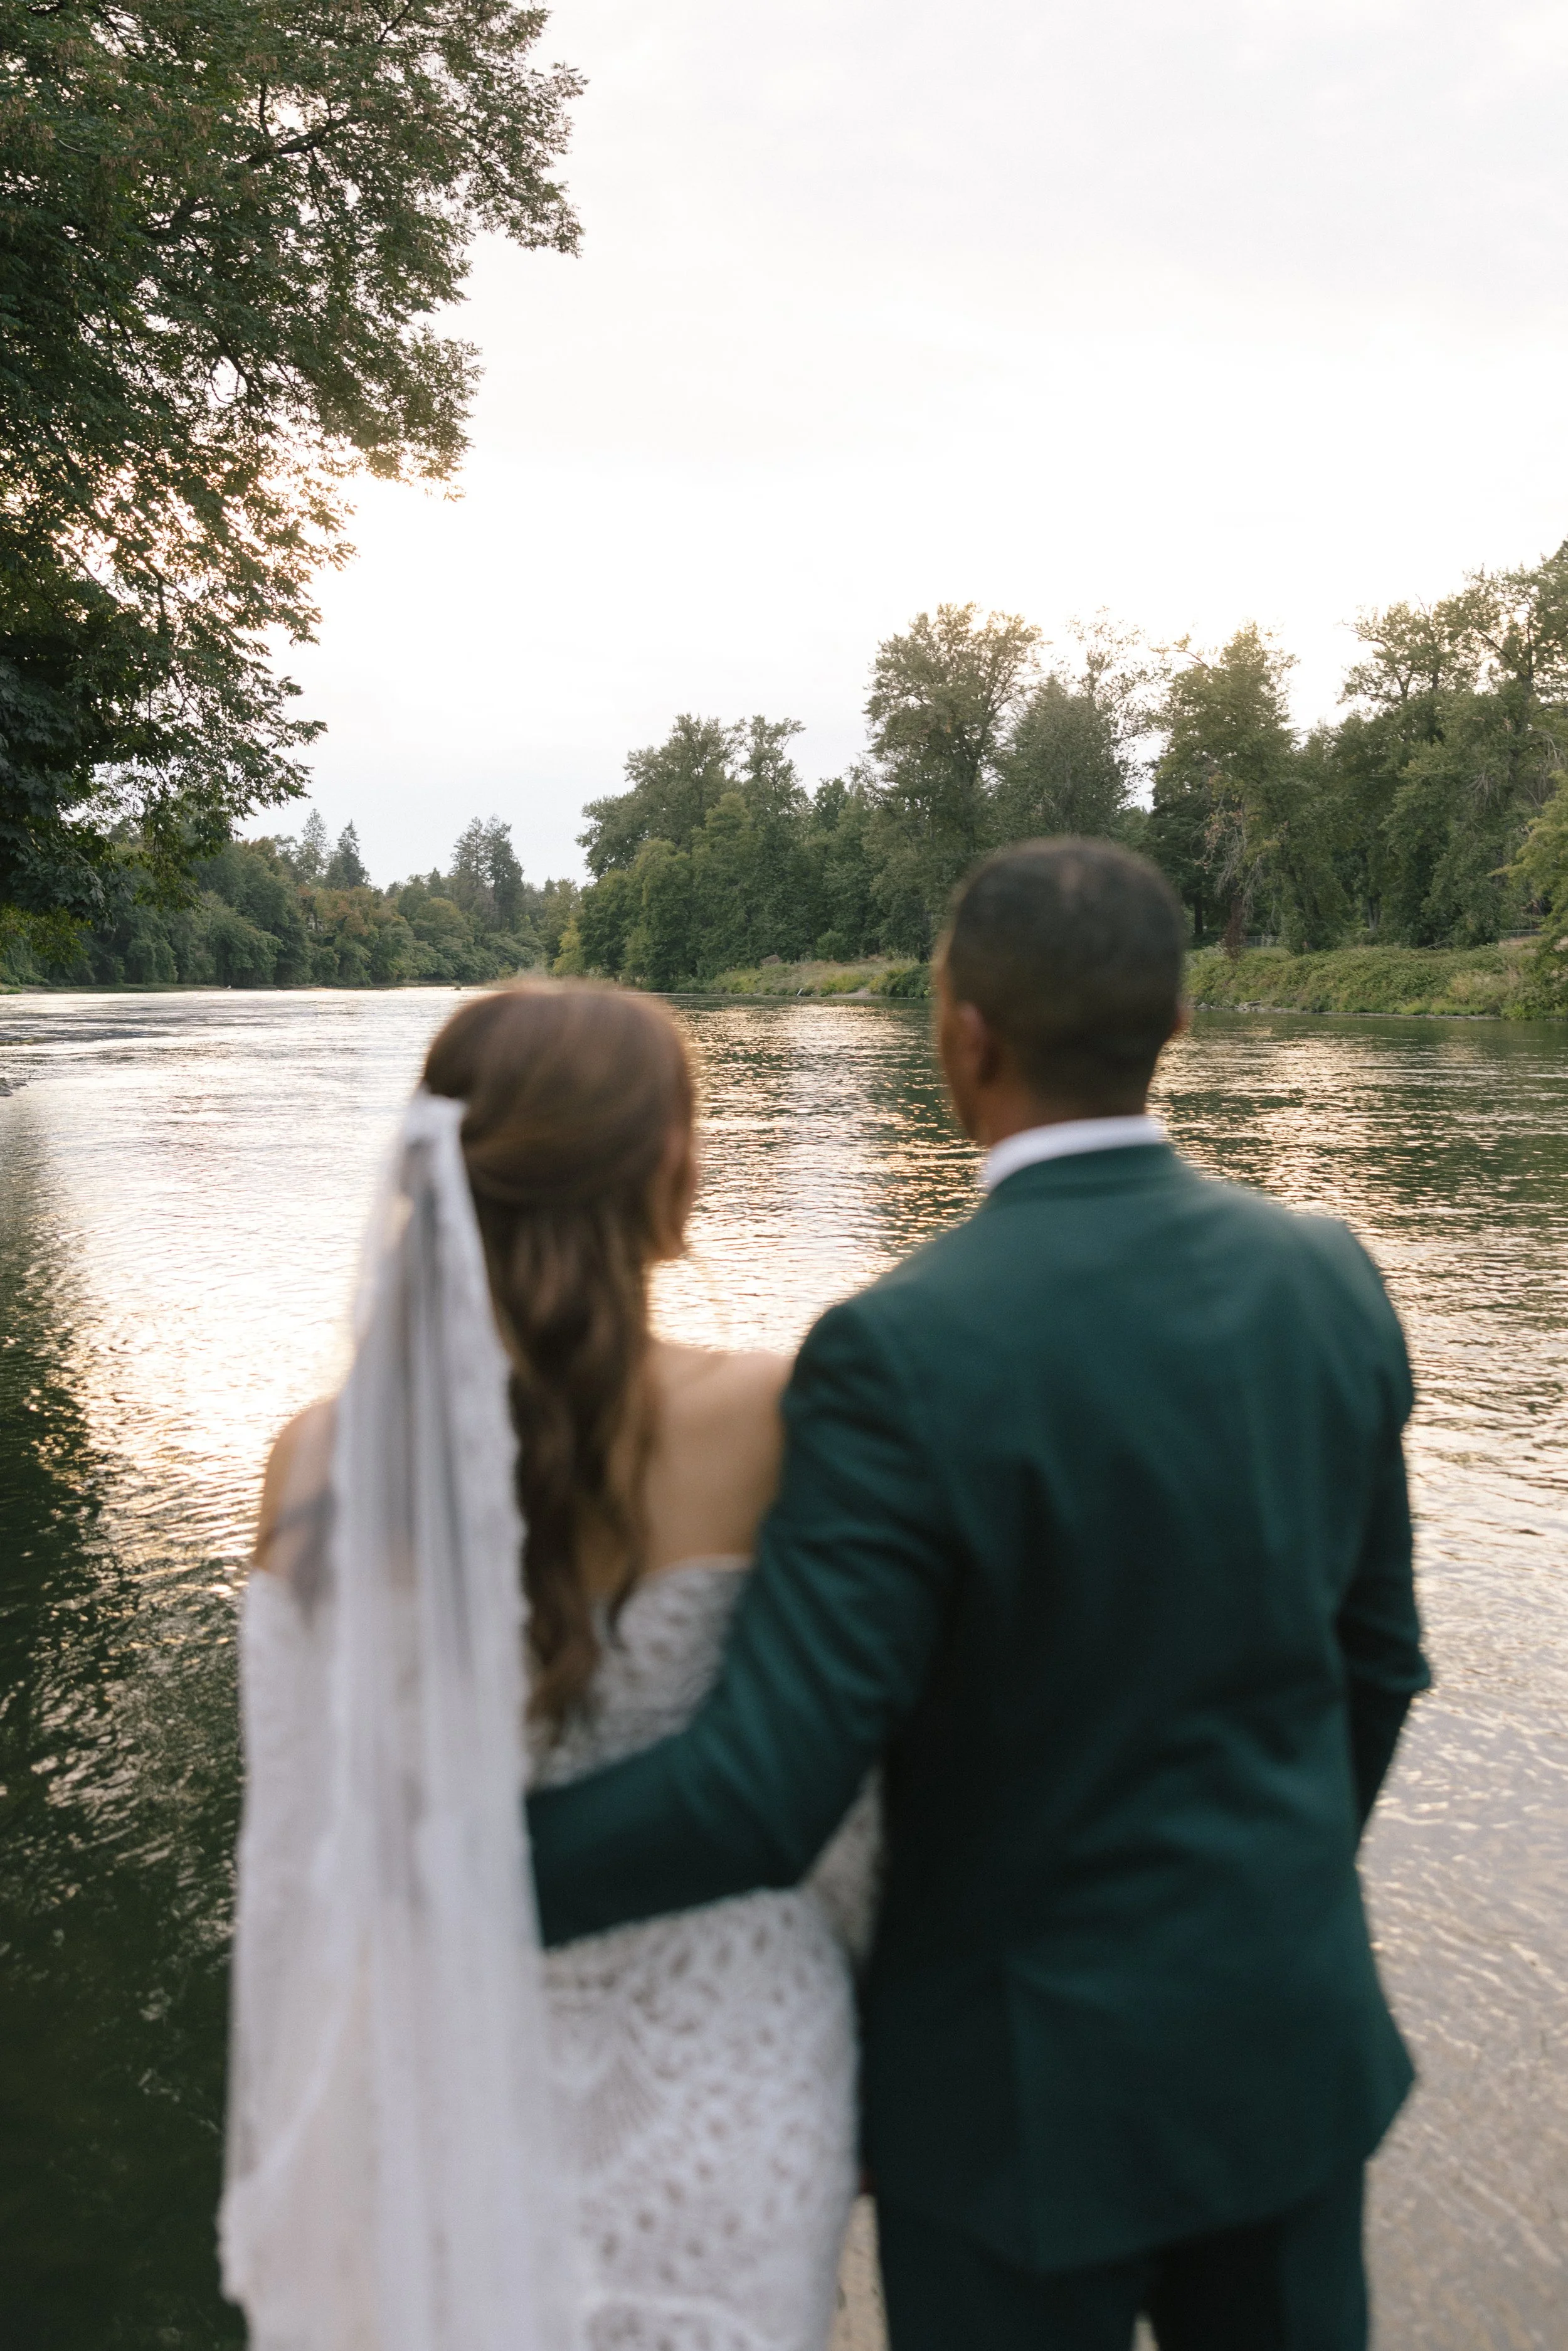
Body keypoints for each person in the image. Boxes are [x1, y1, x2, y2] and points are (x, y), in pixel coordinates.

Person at [525, 839, 1431, 2351]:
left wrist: (448, 1870)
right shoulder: (1327, 1274)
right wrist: (1260, 1898)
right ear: (1176, 1023)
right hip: (1282, 2046)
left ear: (960, 1032)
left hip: (1011, 2103)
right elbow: (1380, 1662)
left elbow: (764, 1790)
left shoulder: (891, 1350)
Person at [223, 983, 874, 2351]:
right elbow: (853, 1798)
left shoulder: (312, 1466)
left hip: (435, 2089)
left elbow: (301, 1844)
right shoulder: (773, 1417)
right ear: (668, 1165)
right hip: (731, 2075)